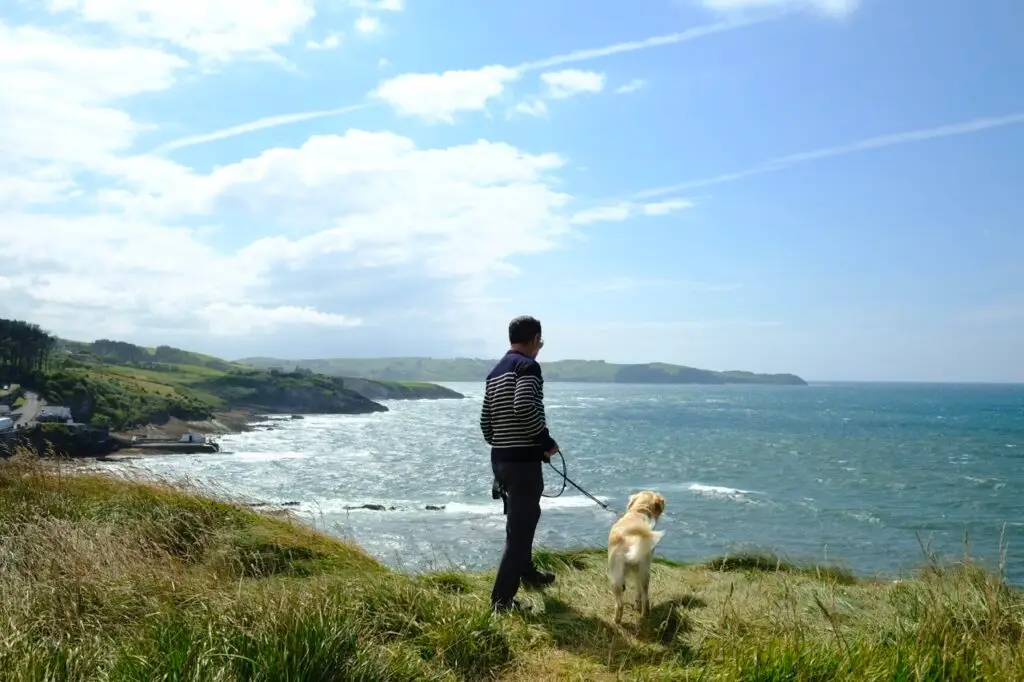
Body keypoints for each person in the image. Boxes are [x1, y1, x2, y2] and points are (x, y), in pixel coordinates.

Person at [480, 315, 559, 613]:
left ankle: (527, 572)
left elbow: (486, 425)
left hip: (500, 460)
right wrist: (544, 442)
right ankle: (501, 602)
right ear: (535, 338)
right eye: (541, 340)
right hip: (522, 464)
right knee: (521, 530)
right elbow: (524, 407)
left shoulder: (495, 372)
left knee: (519, 522)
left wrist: (504, 443)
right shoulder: (527, 366)